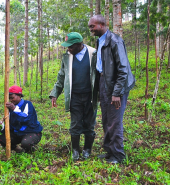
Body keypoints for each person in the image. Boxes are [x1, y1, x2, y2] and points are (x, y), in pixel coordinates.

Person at [88, 15, 136, 164]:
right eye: (90, 26)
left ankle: (119, 155)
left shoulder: (115, 41)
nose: (90, 29)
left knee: (115, 120)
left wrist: (117, 93)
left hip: (116, 85)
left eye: (92, 26)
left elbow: (123, 69)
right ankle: (110, 151)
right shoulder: (100, 41)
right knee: (106, 119)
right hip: (104, 82)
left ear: (102, 25)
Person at [49, 32, 98, 161]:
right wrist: (55, 93)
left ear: (79, 44)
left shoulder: (93, 54)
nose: (68, 49)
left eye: (70, 46)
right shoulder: (67, 57)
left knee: (89, 124)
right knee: (75, 124)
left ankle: (87, 149)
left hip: (90, 96)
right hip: (74, 96)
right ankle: (75, 150)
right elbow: (61, 76)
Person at [0, 85, 43, 153]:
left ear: (19, 95)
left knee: (26, 143)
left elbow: (27, 119)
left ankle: (30, 151)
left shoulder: (27, 104)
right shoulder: (9, 108)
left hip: (31, 132)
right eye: (9, 98)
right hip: (17, 133)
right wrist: (0, 125)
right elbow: (9, 122)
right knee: (2, 139)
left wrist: (15, 109)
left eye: (12, 98)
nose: (11, 100)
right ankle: (18, 150)